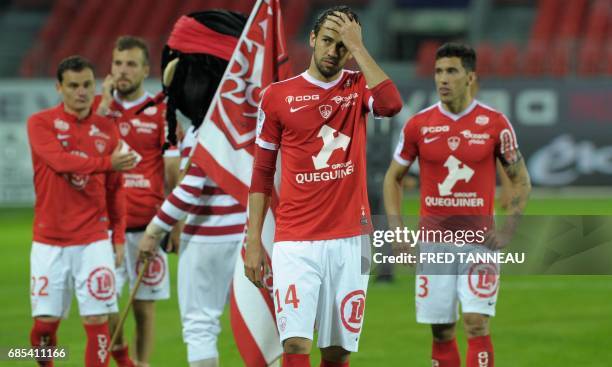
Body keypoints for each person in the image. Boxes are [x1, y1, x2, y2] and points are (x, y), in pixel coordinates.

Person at [244, 6, 403, 367]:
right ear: (313, 39)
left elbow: (392, 104)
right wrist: (253, 239)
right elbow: (262, 171)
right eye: (328, 41)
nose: (333, 51)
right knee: (296, 345)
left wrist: (358, 48)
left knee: (337, 352)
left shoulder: (358, 86)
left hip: (351, 240)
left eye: (342, 46)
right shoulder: (276, 96)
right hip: (296, 241)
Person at [383, 43, 531, 367]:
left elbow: (520, 179)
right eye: (438, 72)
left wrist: (508, 229)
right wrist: (398, 234)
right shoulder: (418, 125)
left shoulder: (495, 124)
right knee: (442, 331)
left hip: (480, 244)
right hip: (434, 244)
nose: (443, 79)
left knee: (476, 322)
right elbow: (392, 178)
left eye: (451, 71)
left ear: (470, 77)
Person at [27, 55, 137, 367]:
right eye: (73, 85)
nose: (81, 92)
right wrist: (107, 164)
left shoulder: (107, 129)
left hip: (93, 238)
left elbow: (116, 189)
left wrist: (117, 236)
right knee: (44, 326)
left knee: (97, 319)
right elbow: (60, 163)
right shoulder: (40, 123)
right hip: (49, 241)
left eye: (87, 85)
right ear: (59, 88)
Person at [96, 36, 180, 367]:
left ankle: (142, 364)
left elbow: (173, 171)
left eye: (131, 64)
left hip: (148, 228)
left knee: (144, 309)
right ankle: (124, 361)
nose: (122, 71)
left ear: (145, 70)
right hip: (103, 227)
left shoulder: (161, 112)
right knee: (103, 304)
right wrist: (102, 106)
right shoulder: (98, 111)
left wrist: (174, 224)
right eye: (118, 63)